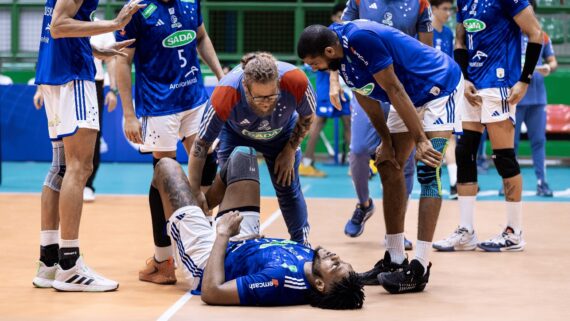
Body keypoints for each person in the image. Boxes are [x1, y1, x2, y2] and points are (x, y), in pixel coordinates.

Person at [298, 20, 464, 293]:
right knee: (388, 164)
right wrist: (386, 140)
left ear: (328, 51)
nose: (312, 68)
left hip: (437, 86)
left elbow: (394, 89)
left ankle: (420, 267)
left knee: (427, 169)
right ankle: (395, 259)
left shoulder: (361, 40)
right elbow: (366, 97)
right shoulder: (338, 56)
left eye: (313, 63)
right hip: (405, 93)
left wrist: (421, 140)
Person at [152, 146, 364, 309]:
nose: (337, 258)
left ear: (320, 285)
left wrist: (223, 235)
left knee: (165, 167)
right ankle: (201, 209)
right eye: (343, 261)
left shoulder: (280, 281)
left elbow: (212, 292)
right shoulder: (313, 262)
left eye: (335, 266)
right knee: (243, 157)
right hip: (242, 241)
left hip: (209, 260)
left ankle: (162, 261)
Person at [32, 0, 144, 292]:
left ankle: (49, 262)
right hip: (73, 76)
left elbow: (62, 25)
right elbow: (58, 26)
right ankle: (69, 265)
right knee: (80, 166)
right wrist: (115, 24)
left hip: (54, 71)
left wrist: (94, 50)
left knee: (60, 167)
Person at [115, 0, 224, 285]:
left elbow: (200, 37)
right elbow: (122, 61)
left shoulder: (190, 2)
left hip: (194, 99)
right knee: (164, 175)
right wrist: (128, 113)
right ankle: (163, 260)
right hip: (159, 105)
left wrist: (221, 75)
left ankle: (210, 248)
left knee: (207, 166)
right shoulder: (135, 10)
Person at [433, 0, 543, 253]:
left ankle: (514, 233)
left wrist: (524, 80)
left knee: (503, 157)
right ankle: (466, 230)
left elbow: (536, 32)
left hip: (500, 83)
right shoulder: (464, 2)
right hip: (473, 85)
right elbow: (460, 41)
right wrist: (464, 78)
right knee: (464, 152)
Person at [189, 52, 316, 245]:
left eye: (272, 95)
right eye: (259, 97)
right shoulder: (226, 92)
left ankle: (302, 244)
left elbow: (307, 117)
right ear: (246, 90)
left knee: (287, 186)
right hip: (236, 135)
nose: (267, 102)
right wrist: (195, 191)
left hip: (282, 135)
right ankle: (228, 242)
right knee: (231, 187)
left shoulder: (295, 80)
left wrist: (291, 149)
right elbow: (201, 144)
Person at [337, 0, 433, 243]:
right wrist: (331, 82)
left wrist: (422, 94)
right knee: (359, 150)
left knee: (405, 161)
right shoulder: (358, 1)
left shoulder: (420, 3)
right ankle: (364, 204)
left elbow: (426, 50)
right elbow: (335, 40)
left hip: (401, 88)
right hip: (366, 85)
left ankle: (397, 231)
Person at [33, 29, 120, 203]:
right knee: (64, 137)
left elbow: (111, 60)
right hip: (62, 81)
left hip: (93, 83)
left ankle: (87, 184)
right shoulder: (63, 23)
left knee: (92, 137)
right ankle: (65, 181)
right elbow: (46, 53)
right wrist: (40, 88)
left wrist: (113, 90)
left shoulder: (101, 29)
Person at [299, 2, 351, 178]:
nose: (342, 18)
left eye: (345, 14)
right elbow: (325, 64)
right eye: (339, 15)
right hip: (326, 89)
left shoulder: (348, 35)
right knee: (318, 123)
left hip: (346, 89)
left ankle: (355, 164)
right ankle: (306, 163)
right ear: (333, 17)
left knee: (348, 123)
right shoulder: (325, 36)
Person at [431, 0, 458, 199]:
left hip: (445, 91)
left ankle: (454, 182)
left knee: (449, 137)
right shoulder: (423, 32)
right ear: (433, 9)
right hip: (424, 92)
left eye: (450, 9)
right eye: (445, 9)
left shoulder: (448, 33)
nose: (448, 13)